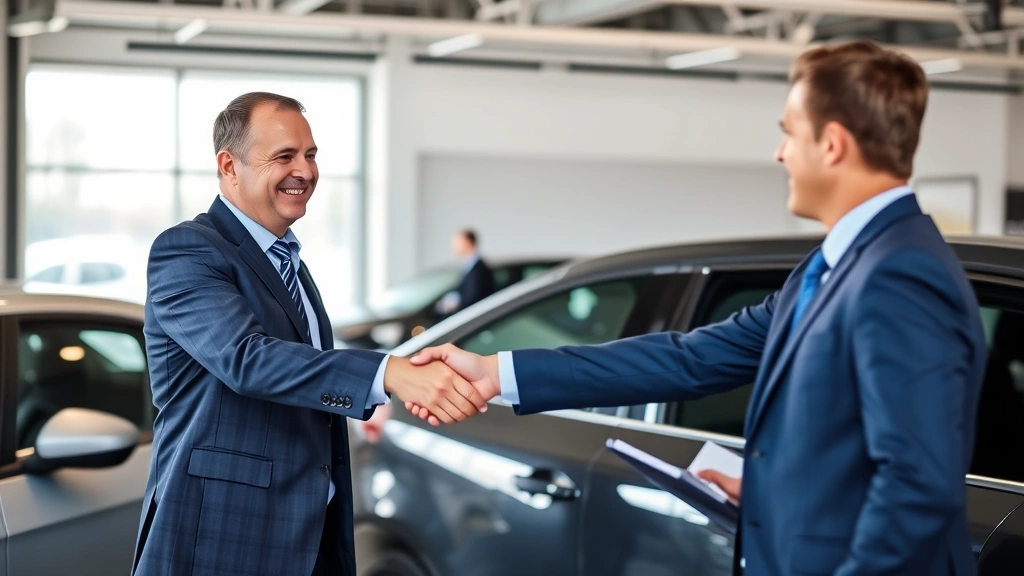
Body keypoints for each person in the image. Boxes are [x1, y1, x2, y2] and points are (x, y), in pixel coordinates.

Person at [407, 42, 986, 576]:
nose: (780, 152)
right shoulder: (834, 265)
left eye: (790, 132)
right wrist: (496, 373)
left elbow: (916, 486)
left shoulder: (902, 277)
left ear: (831, 144)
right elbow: (690, 358)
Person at [133, 92, 487, 576]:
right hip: (223, 537)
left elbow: (305, 383)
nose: (305, 170)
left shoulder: (289, 264)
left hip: (307, 533)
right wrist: (388, 373)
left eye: (311, 154)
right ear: (229, 166)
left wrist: (380, 393)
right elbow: (247, 360)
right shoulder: (187, 251)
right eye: (284, 156)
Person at [437, 229, 496, 315]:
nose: (454, 247)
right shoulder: (469, 265)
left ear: (467, 243)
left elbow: (473, 297)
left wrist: (457, 303)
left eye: (458, 243)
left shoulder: (479, 270)